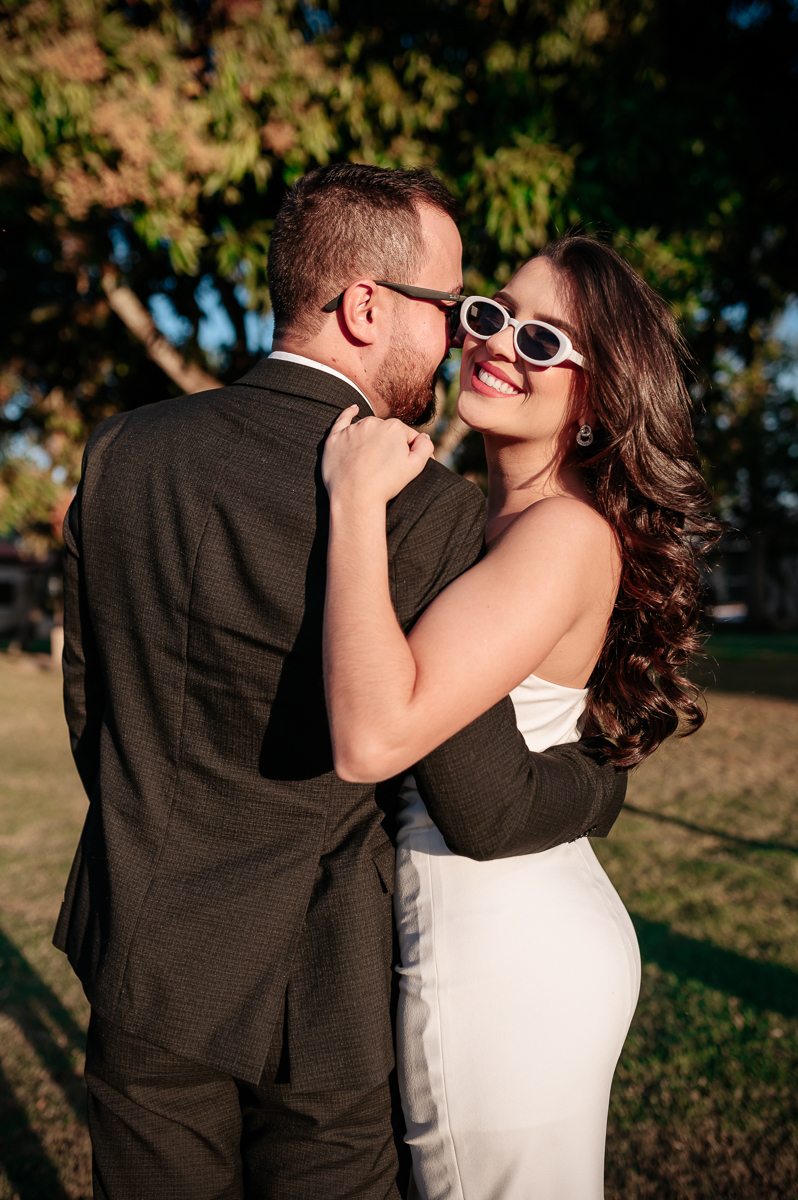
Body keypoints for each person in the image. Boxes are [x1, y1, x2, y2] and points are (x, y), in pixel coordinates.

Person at [56, 168, 626, 1200]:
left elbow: (91, 705)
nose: (465, 336)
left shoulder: (124, 451)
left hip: (137, 943)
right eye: (455, 309)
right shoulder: (427, 509)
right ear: (366, 305)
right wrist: (600, 782)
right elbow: (479, 794)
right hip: (316, 987)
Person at [321, 235, 718, 1199]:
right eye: (492, 316)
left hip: (500, 960)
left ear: (596, 402)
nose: (498, 345)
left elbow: (374, 735)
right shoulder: (503, 524)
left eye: (545, 341)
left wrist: (353, 507)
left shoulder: (561, 534)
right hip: (504, 926)